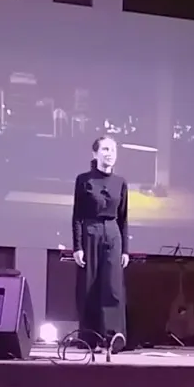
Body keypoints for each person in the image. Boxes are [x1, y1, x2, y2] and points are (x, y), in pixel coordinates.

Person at [72, 136, 130, 351]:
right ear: (95, 154)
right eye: (105, 149)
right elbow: (77, 215)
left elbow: (123, 218)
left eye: (113, 150)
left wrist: (125, 250)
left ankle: (112, 337)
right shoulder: (84, 180)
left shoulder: (120, 182)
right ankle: (89, 337)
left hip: (113, 234)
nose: (109, 153)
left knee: (112, 288)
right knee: (89, 286)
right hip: (90, 232)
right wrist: (77, 246)